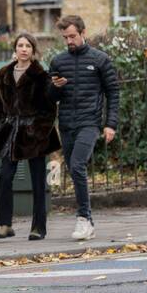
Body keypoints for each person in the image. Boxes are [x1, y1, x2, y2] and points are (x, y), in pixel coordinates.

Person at [46, 15, 120, 240]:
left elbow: (113, 92)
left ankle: (83, 218)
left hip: (90, 123)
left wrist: (110, 124)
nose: (69, 41)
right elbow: (50, 97)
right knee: (73, 167)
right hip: (67, 124)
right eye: (65, 37)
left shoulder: (100, 60)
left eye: (72, 36)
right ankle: (88, 221)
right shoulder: (58, 62)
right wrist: (55, 87)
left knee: (77, 164)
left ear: (83, 33)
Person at [0, 32, 61, 240]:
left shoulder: (41, 75)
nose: (23, 49)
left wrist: (39, 131)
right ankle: (4, 225)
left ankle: (38, 227)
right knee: (4, 177)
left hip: (34, 132)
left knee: (38, 181)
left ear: (33, 50)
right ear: (15, 49)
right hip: (10, 132)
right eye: (20, 45)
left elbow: (49, 109)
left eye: (28, 46)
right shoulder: (4, 73)